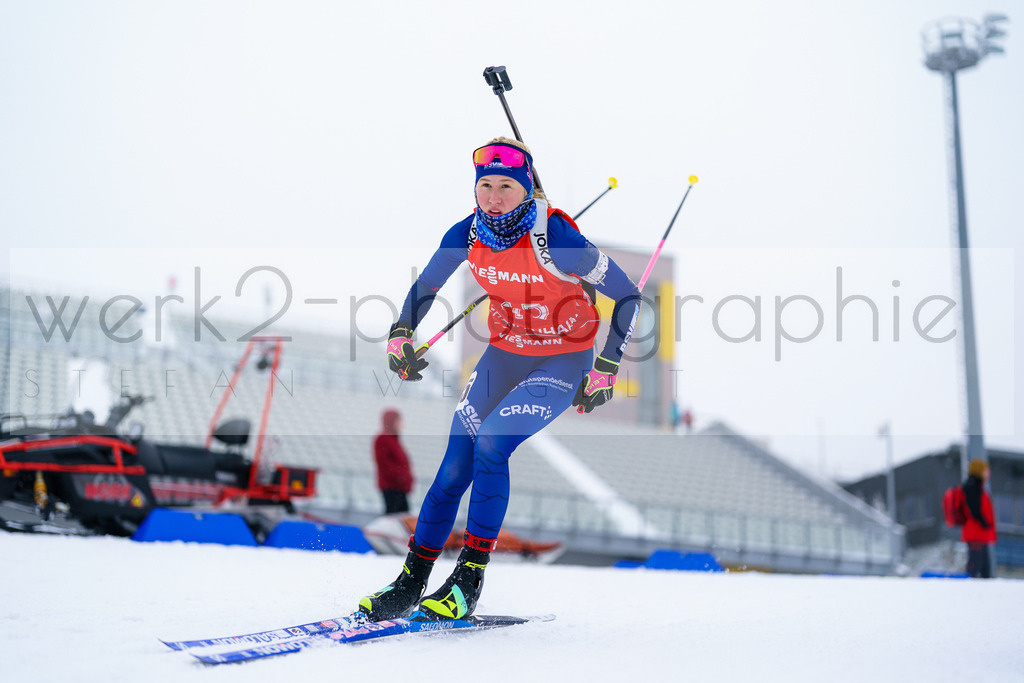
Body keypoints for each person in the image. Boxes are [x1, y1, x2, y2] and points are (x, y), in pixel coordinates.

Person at [358, 137, 642, 621]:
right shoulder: (468, 234)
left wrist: (607, 366)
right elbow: (426, 286)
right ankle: (409, 583)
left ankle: (467, 580)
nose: (492, 197)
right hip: (502, 358)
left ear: (526, 187)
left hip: (560, 362)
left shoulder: (559, 238)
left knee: (492, 443)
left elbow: (630, 296)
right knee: (452, 469)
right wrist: (400, 334)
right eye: (484, 185)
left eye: (505, 186)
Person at [373, 408, 414, 515]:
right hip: (392, 487)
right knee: (395, 517)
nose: (401, 424)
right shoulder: (383, 439)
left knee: (401, 516)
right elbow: (385, 464)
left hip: (399, 487)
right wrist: (400, 478)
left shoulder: (394, 440)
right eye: (398, 421)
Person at [961, 458, 997, 578]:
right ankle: (970, 590)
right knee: (975, 567)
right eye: (985, 470)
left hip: (980, 534)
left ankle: (983, 591)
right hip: (975, 533)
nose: (988, 472)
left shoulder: (977, 487)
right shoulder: (973, 488)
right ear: (978, 471)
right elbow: (974, 509)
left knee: (984, 568)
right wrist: (984, 522)